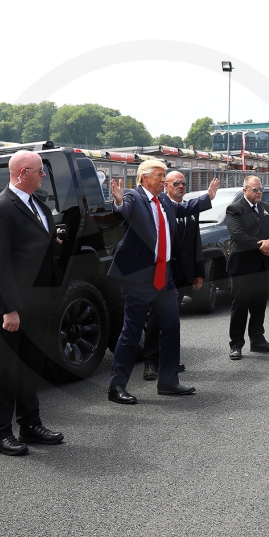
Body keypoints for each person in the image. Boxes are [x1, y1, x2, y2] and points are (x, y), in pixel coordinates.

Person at [105, 161, 218, 403]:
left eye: (164, 175)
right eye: (159, 175)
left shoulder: (164, 201)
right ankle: (117, 387)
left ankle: (168, 381)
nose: (163, 179)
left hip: (163, 278)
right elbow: (121, 209)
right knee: (131, 332)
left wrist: (208, 196)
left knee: (171, 326)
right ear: (144, 178)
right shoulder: (132, 197)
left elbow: (185, 208)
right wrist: (116, 201)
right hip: (139, 278)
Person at [0, 150, 66, 455]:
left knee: (31, 366)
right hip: (12, 305)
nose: (43, 176)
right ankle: (0, 434)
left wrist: (51, 238)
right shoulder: (0, 208)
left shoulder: (38, 204)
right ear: (22, 173)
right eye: (39, 171)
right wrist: (9, 308)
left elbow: (32, 240)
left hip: (38, 301)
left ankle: (30, 424)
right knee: (5, 371)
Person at [139, 170, 206, 381]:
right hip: (162, 272)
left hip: (182, 274)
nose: (181, 186)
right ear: (166, 185)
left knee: (173, 320)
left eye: (184, 183)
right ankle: (150, 362)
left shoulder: (190, 210)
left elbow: (196, 243)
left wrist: (198, 272)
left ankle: (169, 360)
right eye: (176, 183)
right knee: (155, 318)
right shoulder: (160, 207)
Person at [226, 175, 269, 360]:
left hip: (261, 265)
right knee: (240, 306)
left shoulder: (265, 207)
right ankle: (236, 345)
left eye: (260, 189)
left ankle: (257, 341)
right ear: (245, 190)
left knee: (259, 305)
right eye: (255, 189)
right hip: (242, 266)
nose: (259, 193)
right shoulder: (235, 209)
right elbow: (238, 235)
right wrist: (262, 245)